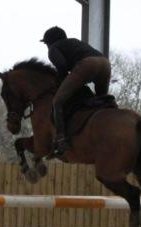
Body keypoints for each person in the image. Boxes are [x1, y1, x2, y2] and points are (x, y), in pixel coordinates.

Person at [40, 26, 111, 157]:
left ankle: (61, 140)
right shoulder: (74, 42)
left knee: (57, 102)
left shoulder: (53, 49)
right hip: (105, 64)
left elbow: (61, 66)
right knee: (102, 102)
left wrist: (61, 84)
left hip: (88, 64)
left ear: (49, 42)